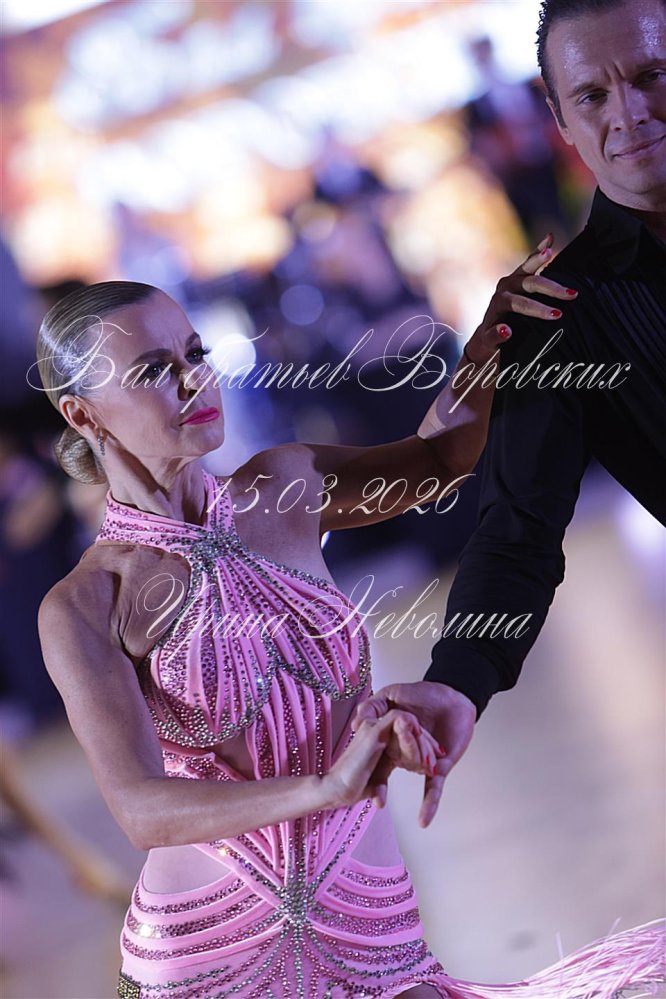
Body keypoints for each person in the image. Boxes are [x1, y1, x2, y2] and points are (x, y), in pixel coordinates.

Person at [33, 249, 664, 994]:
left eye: (194, 354)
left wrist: (487, 348)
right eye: (151, 371)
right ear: (82, 413)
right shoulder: (87, 603)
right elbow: (141, 808)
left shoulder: (284, 486)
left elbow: (440, 458)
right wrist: (327, 786)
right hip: (209, 949)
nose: (193, 380)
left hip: (370, 914)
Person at [355, 0, 666, 831]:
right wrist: (457, 678)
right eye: (593, 95)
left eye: (652, 75)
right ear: (560, 122)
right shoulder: (552, 311)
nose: (630, 112)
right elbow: (518, 526)